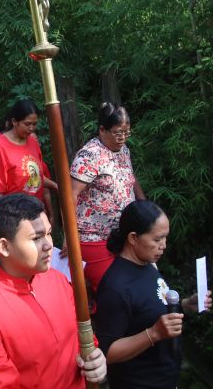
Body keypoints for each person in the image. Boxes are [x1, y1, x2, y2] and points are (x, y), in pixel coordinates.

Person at [0, 194, 107, 388]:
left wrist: (95, 361)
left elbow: (83, 341)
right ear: (4, 246)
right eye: (36, 238)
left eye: (49, 233)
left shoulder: (57, 280)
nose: (49, 245)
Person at [94, 200, 212, 389]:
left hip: (165, 378)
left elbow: (147, 309)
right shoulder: (115, 287)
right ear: (133, 238)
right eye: (157, 239)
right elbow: (105, 352)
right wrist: (153, 334)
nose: (163, 245)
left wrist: (185, 304)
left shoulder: (147, 265)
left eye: (165, 238)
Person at [68, 102, 146, 290]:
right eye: (118, 133)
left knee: (138, 281)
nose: (122, 138)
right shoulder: (89, 155)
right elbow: (71, 194)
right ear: (102, 130)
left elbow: (130, 178)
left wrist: (145, 207)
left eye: (126, 133)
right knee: (112, 287)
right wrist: (68, 234)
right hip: (93, 236)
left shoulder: (124, 149)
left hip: (123, 234)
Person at [0, 99, 56, 219]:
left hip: (36, 210)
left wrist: (55, 186)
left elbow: (36, 175)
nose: (31, 128)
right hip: (15, 215)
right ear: (14, 121)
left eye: (34, 124)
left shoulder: (33, 142)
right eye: (27, 124)